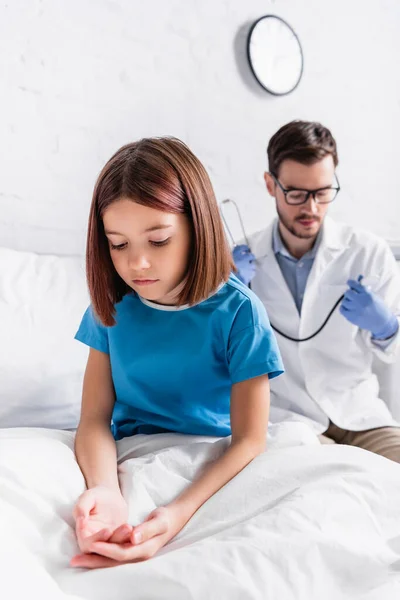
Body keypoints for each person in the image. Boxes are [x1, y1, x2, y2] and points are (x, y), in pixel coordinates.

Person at [71, 137, 284, 568]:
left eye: (159, 240)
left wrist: (176, 516)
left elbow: (249, 441)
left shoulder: (239, 314)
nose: (138, 264)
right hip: (132, 452)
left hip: (216, 459)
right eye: (119, 244)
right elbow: (94, 420)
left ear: (197, 227)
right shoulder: (111, 307)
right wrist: (107, 491)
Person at [234, 120, 400, 462]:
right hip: (289, 421)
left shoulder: (367, 252)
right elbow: (216, 358)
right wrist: (227, 294)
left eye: (323, 192)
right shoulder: (241, 260)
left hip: (360, 415)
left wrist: (388, 328)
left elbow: (394, 352)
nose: (311, 208)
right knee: (335, 481)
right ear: (270, 185)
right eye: (296, 193)